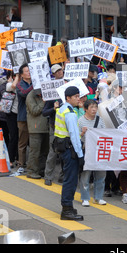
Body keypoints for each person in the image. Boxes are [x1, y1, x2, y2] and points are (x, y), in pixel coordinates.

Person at [53, 86, 84, 221]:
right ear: (68, 98)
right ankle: (66, 209)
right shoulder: (70, 113)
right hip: (70, 149)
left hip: (63, 148)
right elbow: (74, 135)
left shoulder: (62, 109)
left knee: (68, 179)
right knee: (70, 181)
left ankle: (68, 207)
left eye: (78, 96)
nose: (78, 99)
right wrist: (80, 154)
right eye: (76, 96)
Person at [78, 99, 107, 206]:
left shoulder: (100, 120)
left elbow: (104, 134)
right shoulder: (81, 121)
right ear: (85, 109)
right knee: (85, 176)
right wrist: (82, 132)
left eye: (95, 107)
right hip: (87, 152)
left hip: (99, 151)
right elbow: (77, 137)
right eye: (91, 107)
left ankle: (98, 197)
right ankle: (85, 198)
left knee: (101, 175)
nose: (94, 109)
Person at [25, 88, 49, 179]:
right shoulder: (31, 95)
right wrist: (43, 102)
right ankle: (31, 171)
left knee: (45, 151)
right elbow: (34, 111)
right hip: (35, 127)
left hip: (46, 127)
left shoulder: (47, 92)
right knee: (35, 151)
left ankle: (41, 170)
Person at [15, 64, 33, 169]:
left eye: (30, 70)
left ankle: (31, 164)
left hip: (34, 117)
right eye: (26, 71)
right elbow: (25, 93)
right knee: (23, 142)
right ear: (21, 74)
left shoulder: (34, 83)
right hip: (23, 118)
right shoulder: (19, 85)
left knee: (33, 143)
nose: (29, 72)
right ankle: (21, 164)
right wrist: (35, 85)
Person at [5, 71, 19, 167]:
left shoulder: (23, 85)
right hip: (12, 114)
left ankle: (19, 158)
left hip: (21, 114)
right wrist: (17, 76)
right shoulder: (10, 84)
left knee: (20, 138)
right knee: (13, 137)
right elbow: (12, 87)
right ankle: (10, 159)